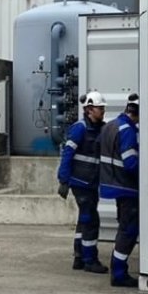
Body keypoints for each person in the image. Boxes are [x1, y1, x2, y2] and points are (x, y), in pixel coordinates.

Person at [56, 90, 108, 273]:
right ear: (89, 109)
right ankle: (89, 260)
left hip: (90, 182)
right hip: (81, 182)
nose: (103, 111)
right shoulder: (80, 128)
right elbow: (67, 154)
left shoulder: (100, 128)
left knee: (84, 219)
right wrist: (63, 180)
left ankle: (79, 256)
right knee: (91, 219)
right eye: (100, 108)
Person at [99, 92, 140, 288]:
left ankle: (117, 269)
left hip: (114, 185)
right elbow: (131, 163)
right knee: (129, 231)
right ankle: (118, 272)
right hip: (127, 187)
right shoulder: (128, 130)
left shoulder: (111, 125)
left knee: (124, 228)